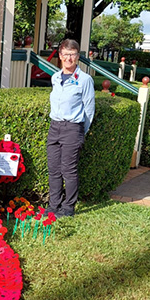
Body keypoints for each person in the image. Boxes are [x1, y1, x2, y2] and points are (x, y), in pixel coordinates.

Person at [46, 39, 95, 218]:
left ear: (77, 56)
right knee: (54, 169)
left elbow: (89, 109)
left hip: (73, 128)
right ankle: (53, 205)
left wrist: (80, 131)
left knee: (68, 170)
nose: (68, 58)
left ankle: (68, 208)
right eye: (65, 54)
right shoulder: (55, 77)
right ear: (60, 56)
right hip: (55, 127)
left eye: (72, 54)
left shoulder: (85, 80)